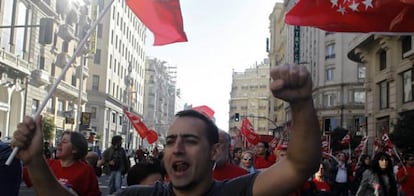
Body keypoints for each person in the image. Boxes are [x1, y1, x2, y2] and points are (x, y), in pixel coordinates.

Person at [11, 64, 322, 195]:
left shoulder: (235, 191)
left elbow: (299, 165)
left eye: (189, 140)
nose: (177, 148)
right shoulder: (138, 195)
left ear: (214, 150)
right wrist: (34, 160)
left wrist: (302, 103)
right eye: (172, 140)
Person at [22, 129, 100, 196]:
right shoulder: (48, 164)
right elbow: (20, 174)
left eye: (64, 142)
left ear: (75, 149)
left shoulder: (86, 171)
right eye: (60, 141)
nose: (59, 144)